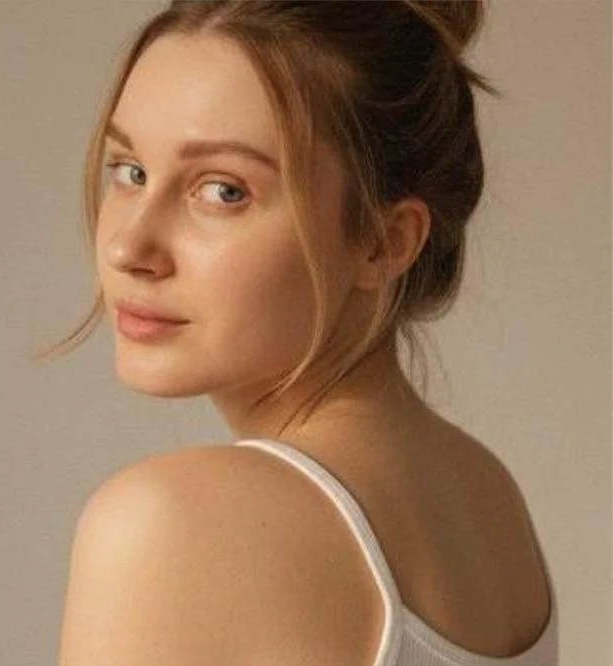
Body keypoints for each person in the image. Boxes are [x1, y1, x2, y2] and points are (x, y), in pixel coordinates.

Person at [46, 2, 558, 664]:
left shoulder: (165, 522)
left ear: (383, 240)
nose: (128, 248)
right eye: (130, 172)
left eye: (223, 191)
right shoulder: (486, 497)